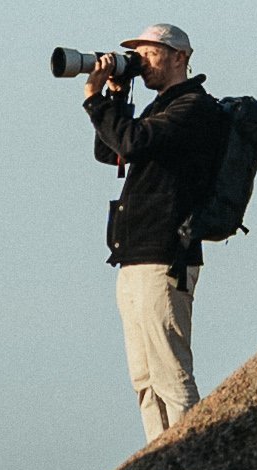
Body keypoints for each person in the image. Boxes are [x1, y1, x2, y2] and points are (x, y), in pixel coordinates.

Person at [83, 27, 229, 443]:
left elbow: (134, 140)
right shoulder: (159, 108)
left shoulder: (194, 108)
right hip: (134, 257)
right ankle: (158, 463)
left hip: (166, 254)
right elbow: (110, 150)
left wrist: (93, 98)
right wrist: (113, 97)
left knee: (171, 375)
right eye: (137, 55)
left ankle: (193, 459)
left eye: (149, 53)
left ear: (180, 56)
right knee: (144, 380)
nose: (141, 61)